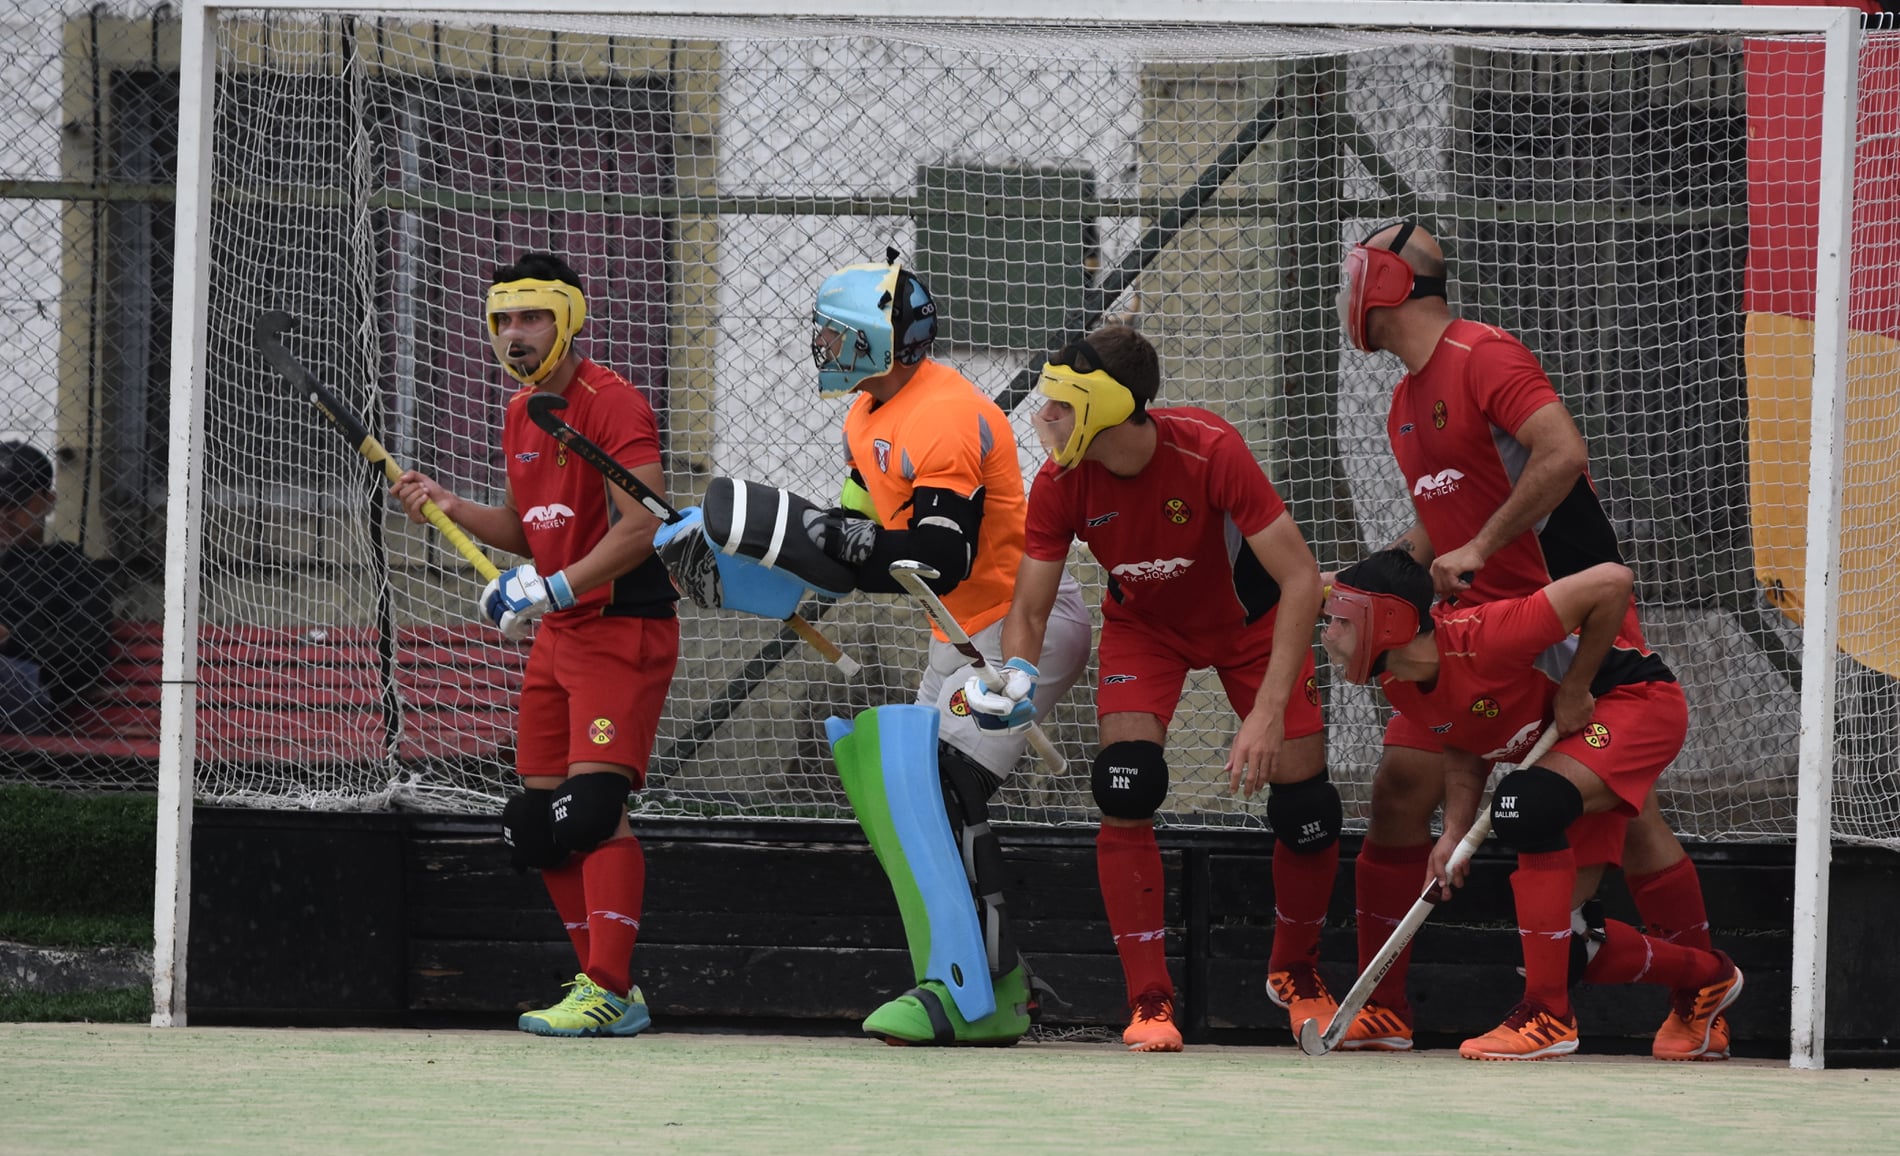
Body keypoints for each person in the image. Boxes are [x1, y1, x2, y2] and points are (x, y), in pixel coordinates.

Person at [660, 251, 1092, 1046]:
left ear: (870, 339)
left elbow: (937, 557)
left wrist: (823, 537)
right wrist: (747, 563)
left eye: (832, 334)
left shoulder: (942, 416)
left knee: (941, 784)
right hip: (955, 635)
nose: (821, 346)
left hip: (1020, 623)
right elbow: (852, 544)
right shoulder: (865, 414)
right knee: (900, 790)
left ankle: (987, 990)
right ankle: (969, 979)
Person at [1336, 220, 1729, 1060]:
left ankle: (1699, 997)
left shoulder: (1486, 356)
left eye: (1352, 274)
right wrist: (1373, 581)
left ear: (1388, 281)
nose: (1344, 293)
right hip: (1470, 637)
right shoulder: (1404, 403)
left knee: (1623, 820)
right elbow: (1444, 514)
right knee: (1407, 782)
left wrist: (1479, 548)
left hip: (1562, 626)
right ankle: (1389, 1005)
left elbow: (1562, 455)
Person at [969, 324, 1346, 1054]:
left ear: (1109, 405)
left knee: (1308, 806)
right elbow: (1029, 609)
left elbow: (1302, 577)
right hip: (1147, 629)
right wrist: (1015, 674)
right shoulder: (1060, 482)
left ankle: (1294, 973)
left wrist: (1267, 713)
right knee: (1125, 782)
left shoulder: (1210, 450)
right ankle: (1148, 996)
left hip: (1252, 625)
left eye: (1061, 404)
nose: (1044, 418)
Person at [394, 251, 679, 1038]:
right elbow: (533, 527)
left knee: (590, 810)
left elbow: (642, 524)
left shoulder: (612, 404)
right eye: (502, 321)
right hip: (559, 635)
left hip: (621, 628)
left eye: (531, 317)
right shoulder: (523, 411)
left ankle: (611, 987)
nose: (514, 335)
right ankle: (605, 986)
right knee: (536, 820)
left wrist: (555, 587)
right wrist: (451, 505)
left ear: (569, 318)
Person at [1322, 548, 1743, 1060]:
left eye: (1341, 619)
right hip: (1571, 752)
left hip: (1635, 703)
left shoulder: (1489, 633)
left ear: (1387, 622)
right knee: (1573, 949)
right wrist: (1453, 832)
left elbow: (1612, 580)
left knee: (1524, 805)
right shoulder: (1399, 682)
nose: (1327, 635)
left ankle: (1548, 1014)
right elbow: (1462, 741)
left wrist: (1575, 687)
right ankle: (1708, 979)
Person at [0, 441, 113, 733]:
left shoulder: (71, 569)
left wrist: (13, 638)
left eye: (15, 503)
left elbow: (87, 652)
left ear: (47, 499)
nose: (3, 514)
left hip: (29, 687)